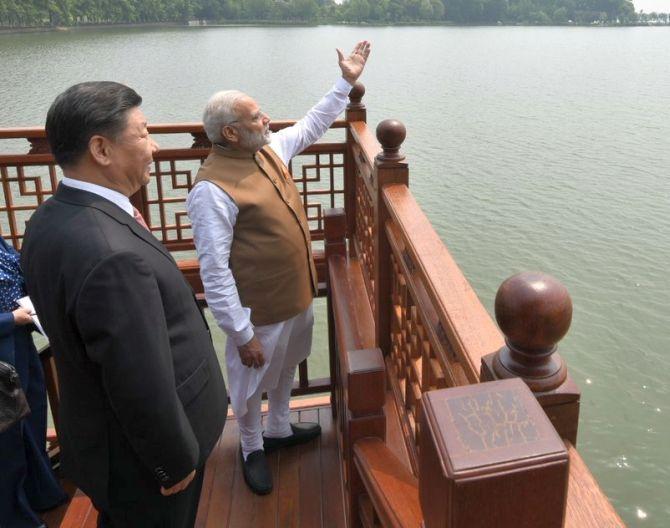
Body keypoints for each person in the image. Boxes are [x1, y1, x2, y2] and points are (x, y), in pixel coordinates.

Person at [21, 82, 228, 528]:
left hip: (99, 437)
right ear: (101, 149)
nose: (153, 146)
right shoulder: (112, 254)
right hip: (145, 461)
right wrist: (173, 464)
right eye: (143, 132)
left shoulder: (48, 216)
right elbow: (138, 380)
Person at [186, 41, 370, 495]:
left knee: (287, 366)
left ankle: (280, 430)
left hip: (296, 295)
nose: (266, 119)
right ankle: (251, 446)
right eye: (256, 117)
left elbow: (312, 124)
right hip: (257, 311)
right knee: (249, 388)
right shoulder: (211, 190)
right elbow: (214, 270)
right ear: (231, 133)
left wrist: (344, 82)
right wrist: (240, 332)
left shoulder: (267, 151)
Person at [0, 236, 67, 528]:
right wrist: (9, 319)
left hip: (21, 340)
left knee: (32, 420)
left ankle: (39, 492)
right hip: (3, 346)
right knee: (9, 435)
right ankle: (15, 517)